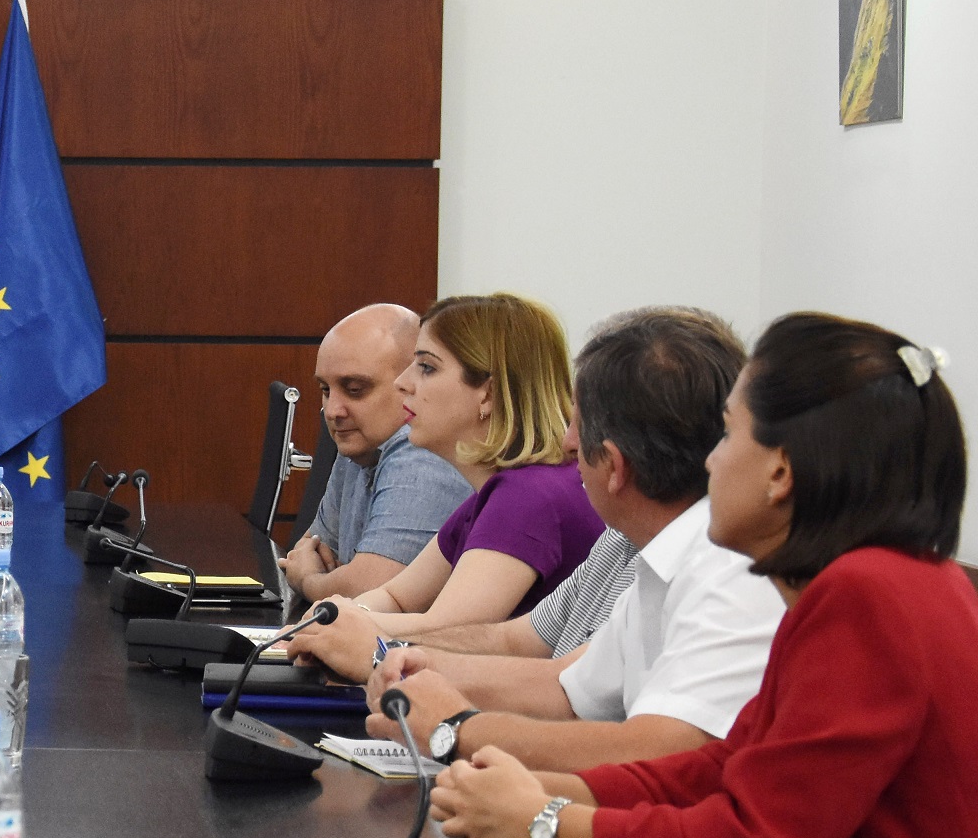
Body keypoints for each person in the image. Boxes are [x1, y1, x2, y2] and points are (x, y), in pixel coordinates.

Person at [430, 313, 978, 838]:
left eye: (728, 435)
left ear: (780, 472)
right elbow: (724, 769)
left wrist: (545, 822)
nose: (711, 460)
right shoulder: (889, 582)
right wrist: (546, 791)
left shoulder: (866, 596)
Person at [367, 308, 782, 771]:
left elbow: (668, 751)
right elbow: (570, 689)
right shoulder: (646, 546)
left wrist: (457, 729)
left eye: (576, 425)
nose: (566, 444)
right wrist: (420, 666)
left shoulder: (730, 569)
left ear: (615, 466)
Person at [288, 293, 604, 678]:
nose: (403, 383)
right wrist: (337, 618)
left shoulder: (529, 496)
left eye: (426, 367)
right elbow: (397, 597)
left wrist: (337, 622)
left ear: (488, 392)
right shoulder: (499, 490)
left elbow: (446, 632)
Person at [280, 303, 473, 601]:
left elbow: (370, 591)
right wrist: (330, 577)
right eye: (326, 390)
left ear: (410, 383)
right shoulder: (360, 442)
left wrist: (309, 581)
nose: (332, 411)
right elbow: (307, 552)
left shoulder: (422, 451)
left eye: (355, 389)